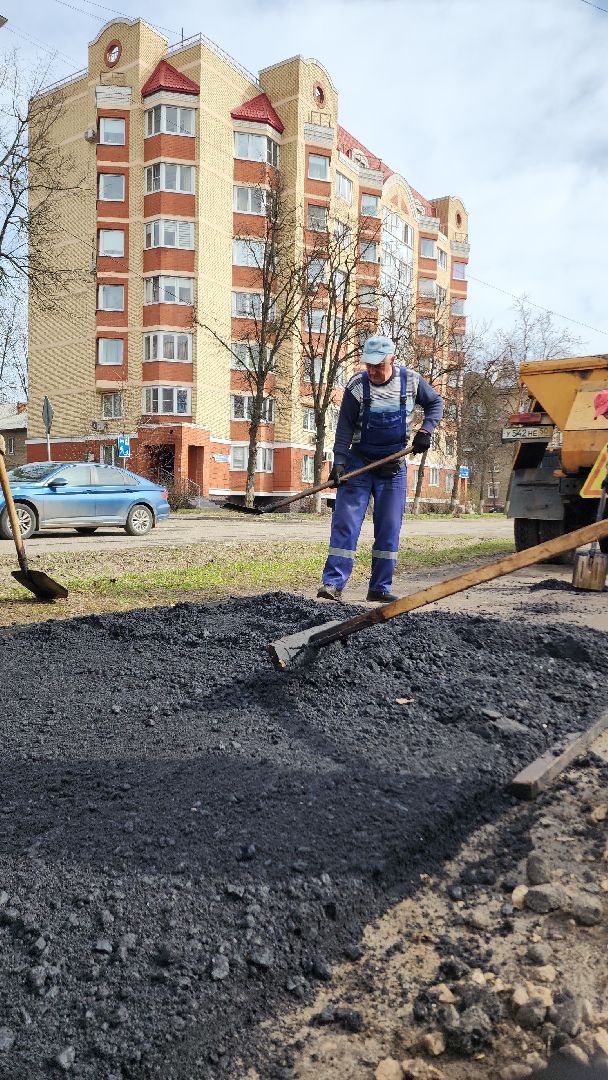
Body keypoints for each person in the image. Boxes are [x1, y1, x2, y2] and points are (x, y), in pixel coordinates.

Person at [317, 335, 444, 604]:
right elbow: (344, 427)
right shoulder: (357, 385)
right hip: (359, 462)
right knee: (345, 524)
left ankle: (379, 587)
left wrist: (426, 430)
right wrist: (339, 461)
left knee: (389, 527)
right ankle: (333, 584)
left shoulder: (410, 381)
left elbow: (436, 403)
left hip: (394, 464)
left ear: (392, 360)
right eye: (369, 365)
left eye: (378, 365)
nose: (373, 371)